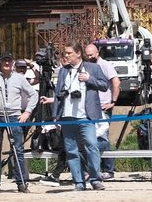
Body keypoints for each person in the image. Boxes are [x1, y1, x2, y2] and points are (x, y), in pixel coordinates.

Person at [41, 42, 109, 191]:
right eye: (65, 53)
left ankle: (95, 179)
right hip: (67, 116)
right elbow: (59, 93)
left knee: (91, 146)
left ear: (78, 53)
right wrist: (55, 116)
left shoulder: (93, 68)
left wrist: (89, 79)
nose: (66, 55)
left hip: (86, 116)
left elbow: (105, 85)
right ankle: (78, 182)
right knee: (71, 150)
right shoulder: (63, 71)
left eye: (69, 53)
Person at [0, 53, 36, 192]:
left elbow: (33, 94)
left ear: (13, 62)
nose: (6, 63)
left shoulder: (19, 78)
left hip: (13, 116)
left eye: (9, 61)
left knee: (18, 149)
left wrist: (27, 112)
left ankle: (21, 182)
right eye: (4, 61)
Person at [83, 43, 120, 180]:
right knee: (92, 139)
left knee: (102, 138)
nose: (89, 57)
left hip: (104, 106)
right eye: (87, 55)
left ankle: (108, 169)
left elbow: (116, 83)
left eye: (91, 54)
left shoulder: (105, 65)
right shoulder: (88, 66)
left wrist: (113, 102)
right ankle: (94, 168)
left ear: (97, 53)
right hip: (91, 106)